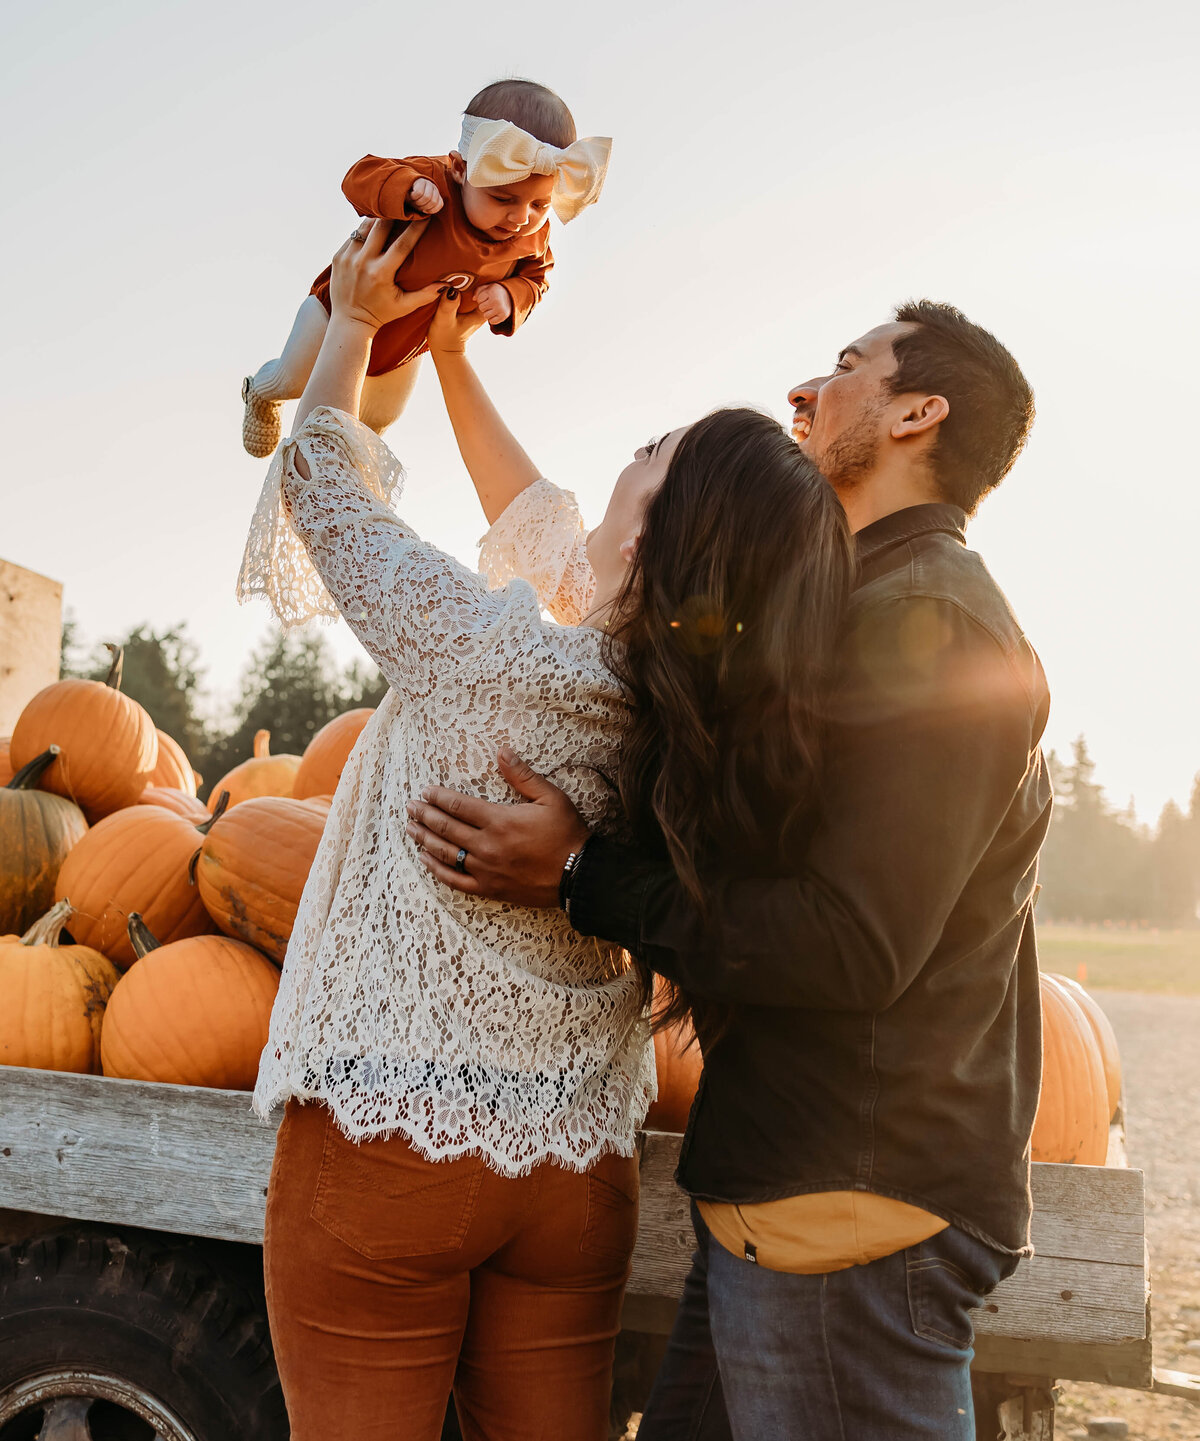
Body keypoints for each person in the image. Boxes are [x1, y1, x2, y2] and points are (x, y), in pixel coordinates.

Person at [236, 216, 852, 1441]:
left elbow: (325, 491)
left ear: (648, 537)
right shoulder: (678, 714)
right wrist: (458, 359)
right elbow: (547, 533)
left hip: (389, 1142)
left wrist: (355, 326)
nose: (614, 472)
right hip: (572, 1168)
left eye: (643, 451)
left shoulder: (488, 656)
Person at [407, 302, 1052, 1440]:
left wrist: (579, 877)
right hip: (787, 1191)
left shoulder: (935, 626)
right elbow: (578, 561)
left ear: (918, 412)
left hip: (851, 1207)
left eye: (850, 365)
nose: (808, 388)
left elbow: (848, 941)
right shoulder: (835, 607)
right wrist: (450, 356)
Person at [240, 76, 610, 457]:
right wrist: (406, 188)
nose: (520, 217)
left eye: (539, 205)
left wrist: (510, 294)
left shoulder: (533, 235)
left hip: (408, 344)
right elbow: (360, 177)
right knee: (293, 377)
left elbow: (537, 277)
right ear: (460, 169)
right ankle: (260, 392)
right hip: (335, 312)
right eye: (503, 197)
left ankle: (355, 479)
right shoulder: (431, 179)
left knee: (382, 416)